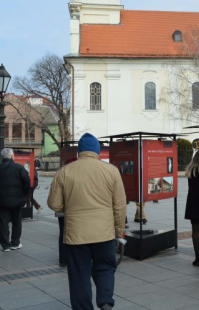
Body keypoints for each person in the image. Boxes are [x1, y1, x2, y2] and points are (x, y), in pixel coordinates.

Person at [47, 133, 126, 310]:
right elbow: (119, 206)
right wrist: (118, 231)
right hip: (104, 233)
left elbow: (54, 204)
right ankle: (105, 301)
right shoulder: (111, 171)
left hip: (76, 235)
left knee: (78, 274)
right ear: (97, 151)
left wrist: (70, 208)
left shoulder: (64, 172)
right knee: (105, 267)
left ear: (79, 152)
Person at [0, 148, 31, 252]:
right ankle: (15, 242)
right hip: (17, 200)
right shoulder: (19, 168)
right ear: (12, 156)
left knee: (3, 223)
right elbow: (27, 182)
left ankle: (5, 245)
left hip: (1, 200)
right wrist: (24, 194)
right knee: (16, 222)